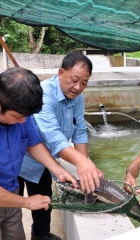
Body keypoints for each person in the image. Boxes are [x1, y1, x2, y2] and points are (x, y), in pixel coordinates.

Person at [18, 50, 104, 240]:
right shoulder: (42, 93)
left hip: (45, 162)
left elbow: (80, 130)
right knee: (12, 208)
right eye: (74, 79)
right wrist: (81, 163)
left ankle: (40, 235)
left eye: (84, 83)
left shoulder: (77, 99)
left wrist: (84, 163)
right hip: (21, 159)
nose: (78, 87)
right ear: (60, 73)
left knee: (44, 201)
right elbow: (53, 136)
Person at [0, 67, 77, 240]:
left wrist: (59, 170)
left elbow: (33, 143)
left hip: (11, 195)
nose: (22, 121)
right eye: (17, 116)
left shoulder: (23, 117)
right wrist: (27, 202)